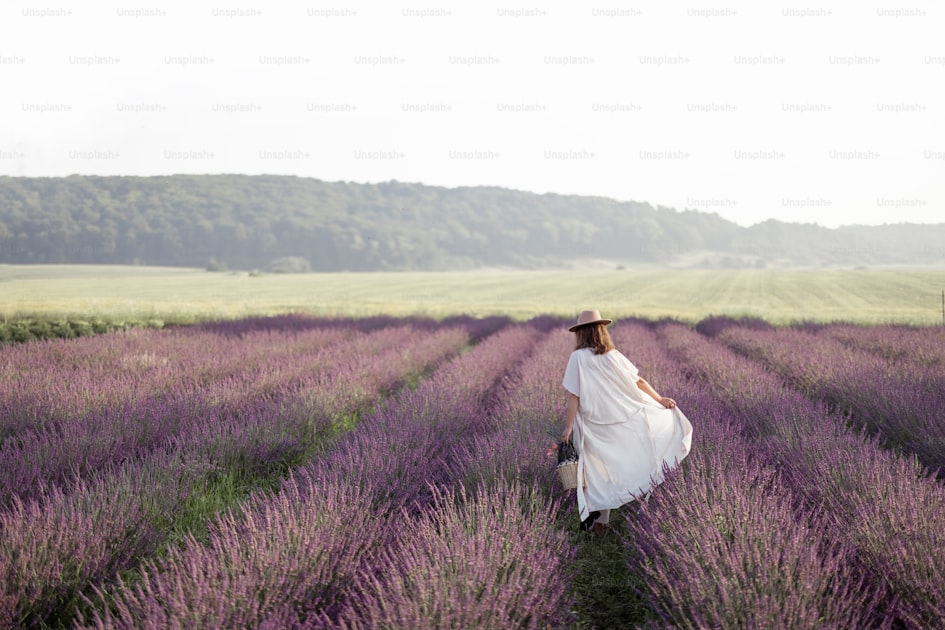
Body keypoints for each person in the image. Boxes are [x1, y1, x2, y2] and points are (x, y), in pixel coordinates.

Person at [561, 309, 693, 534]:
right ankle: (627, 506)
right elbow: (638, 381)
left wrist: (568, 428)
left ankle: (599, 525)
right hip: (620, 422)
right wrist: (660, 399)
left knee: (596, 473)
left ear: (581, 334)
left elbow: (574, 395)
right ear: (601, 331)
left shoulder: (578, 358)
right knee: (624, 463)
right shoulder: (613, 355)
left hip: (594, 427)